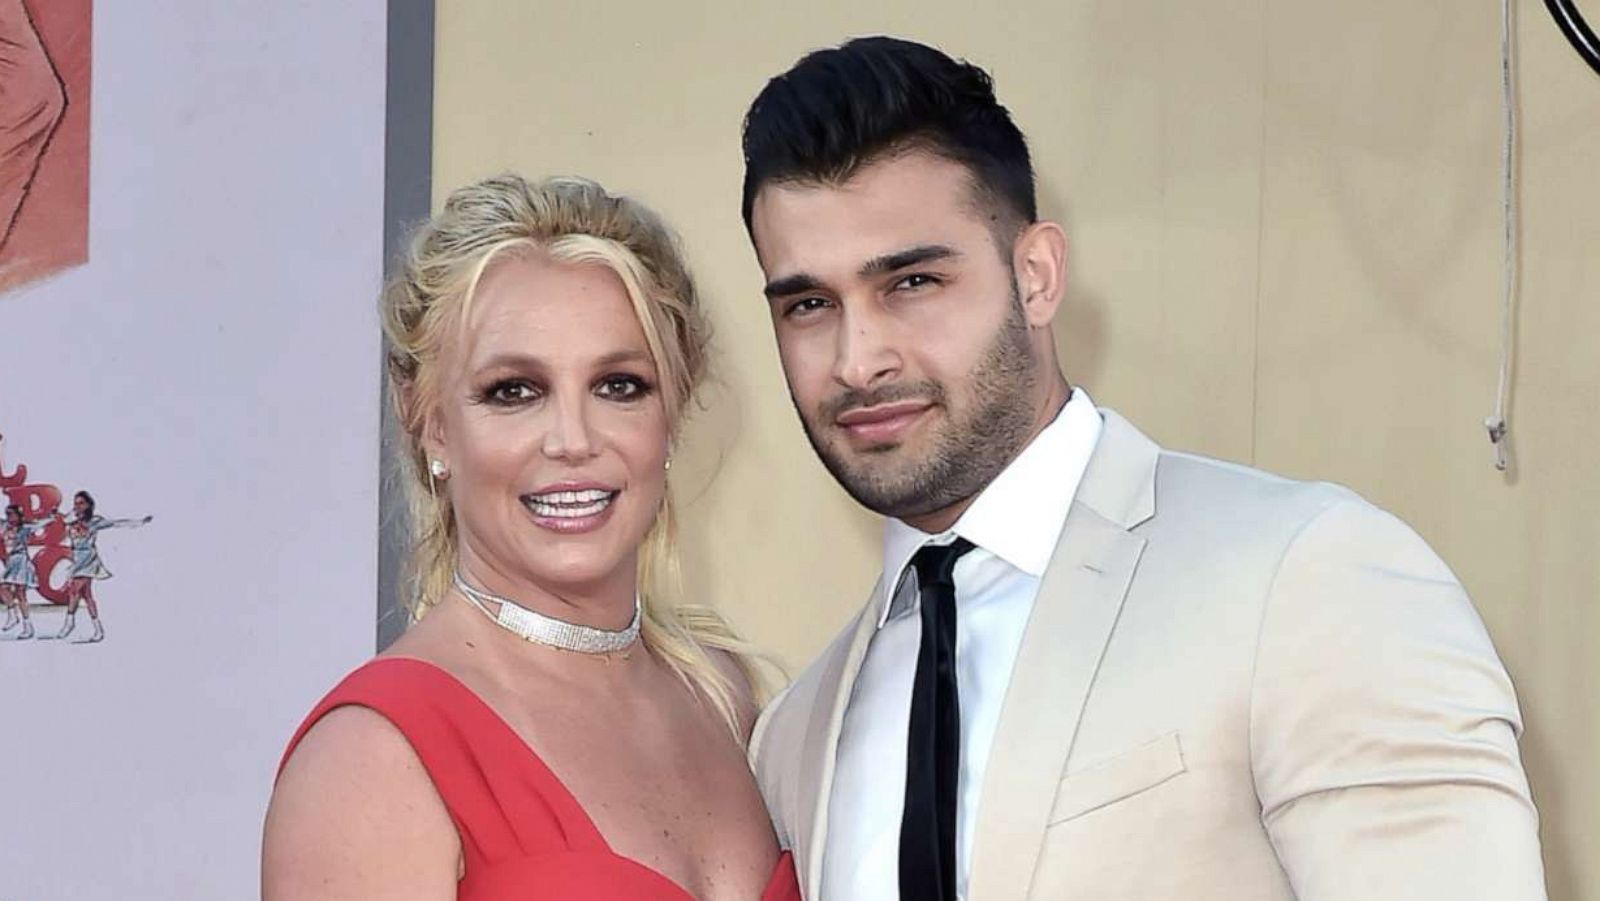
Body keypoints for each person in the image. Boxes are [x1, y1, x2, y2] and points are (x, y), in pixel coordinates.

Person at [740, 37, 1545, 900]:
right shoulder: (796, 733)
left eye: (912, 282)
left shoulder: (1307, 577)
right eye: (810, 304)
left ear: (1038, 274)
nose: (858, 359)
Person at [262, 174, 800, 900]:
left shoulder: (729, 696)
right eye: (514, 391)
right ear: (431, 423)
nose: (573, 440)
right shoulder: (372, 759)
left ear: (671, 413)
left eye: (619, 385)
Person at [57, 490, 151, 642]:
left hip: (88, 558)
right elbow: (63, 520)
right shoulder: (72, 520)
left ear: (88, 505)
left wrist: (139, 522)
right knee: (86, 596)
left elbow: (115, 523)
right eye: (75, 503)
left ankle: (69, 623)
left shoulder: (94, 521)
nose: (77, 506)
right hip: (77, 558)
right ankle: (98, 629)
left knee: (74, 590)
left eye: (81, 503)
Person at [1, 501, 55, 640]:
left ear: (18, 515)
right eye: (7, 514)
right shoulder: (3, 526)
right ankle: (12, 614)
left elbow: (40, 523)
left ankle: (27, 626)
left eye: (11, 514)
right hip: (11, 561)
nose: (8, 517)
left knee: (20, 593)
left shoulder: (25, 528)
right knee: (3, 588)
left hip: (21, 560)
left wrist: (51, 516)